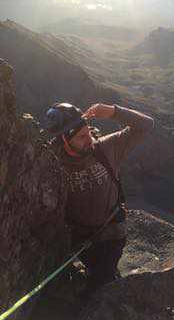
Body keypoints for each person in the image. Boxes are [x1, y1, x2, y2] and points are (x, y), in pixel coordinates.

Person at [44, 101, 154, 288]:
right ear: (64, 140)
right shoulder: (52, 163)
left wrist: (113, 112)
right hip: (82, 240)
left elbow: (146, 125)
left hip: (114, 233)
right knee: (99, 273)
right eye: (81, 137)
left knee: (104, 277)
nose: (89, 139)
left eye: (88, 132)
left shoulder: (105, 149)